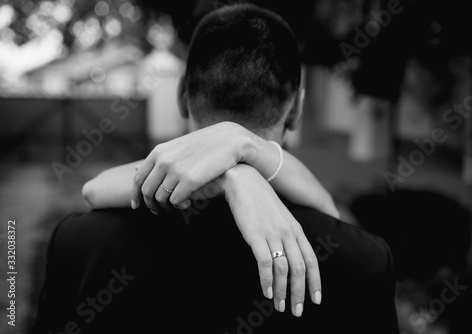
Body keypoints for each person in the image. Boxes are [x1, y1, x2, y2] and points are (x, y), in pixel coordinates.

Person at [32, 4, 398, 333]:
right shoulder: (365, 260)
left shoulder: (76, 243)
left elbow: (93, 190)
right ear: (297, 109)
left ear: (181, 96)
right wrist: (236, 170)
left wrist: (236, 157)